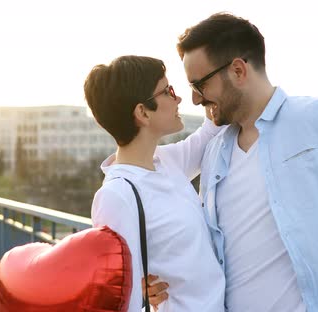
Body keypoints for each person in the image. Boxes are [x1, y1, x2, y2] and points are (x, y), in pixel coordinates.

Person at [146, 12, 318, 311]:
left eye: (199, 84)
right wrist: (166, 283)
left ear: (238, 70)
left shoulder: (317, 120)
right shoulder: (215, 150)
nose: (196, 99)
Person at [84, 55, 226, 311]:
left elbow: (210, 131)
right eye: (168, 91)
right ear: (142, 112)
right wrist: (138, 292)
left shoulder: (164, 162)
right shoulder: (117, 195)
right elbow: (119, 297)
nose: (178, 98)